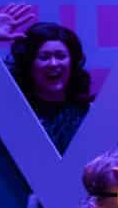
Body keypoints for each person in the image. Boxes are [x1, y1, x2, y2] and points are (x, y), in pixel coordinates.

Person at [6, 20, 94, 150]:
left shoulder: (90, 113)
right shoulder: (12, 112)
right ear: (29, 64)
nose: (53, 64)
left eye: (60, 56)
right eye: (44, 57)